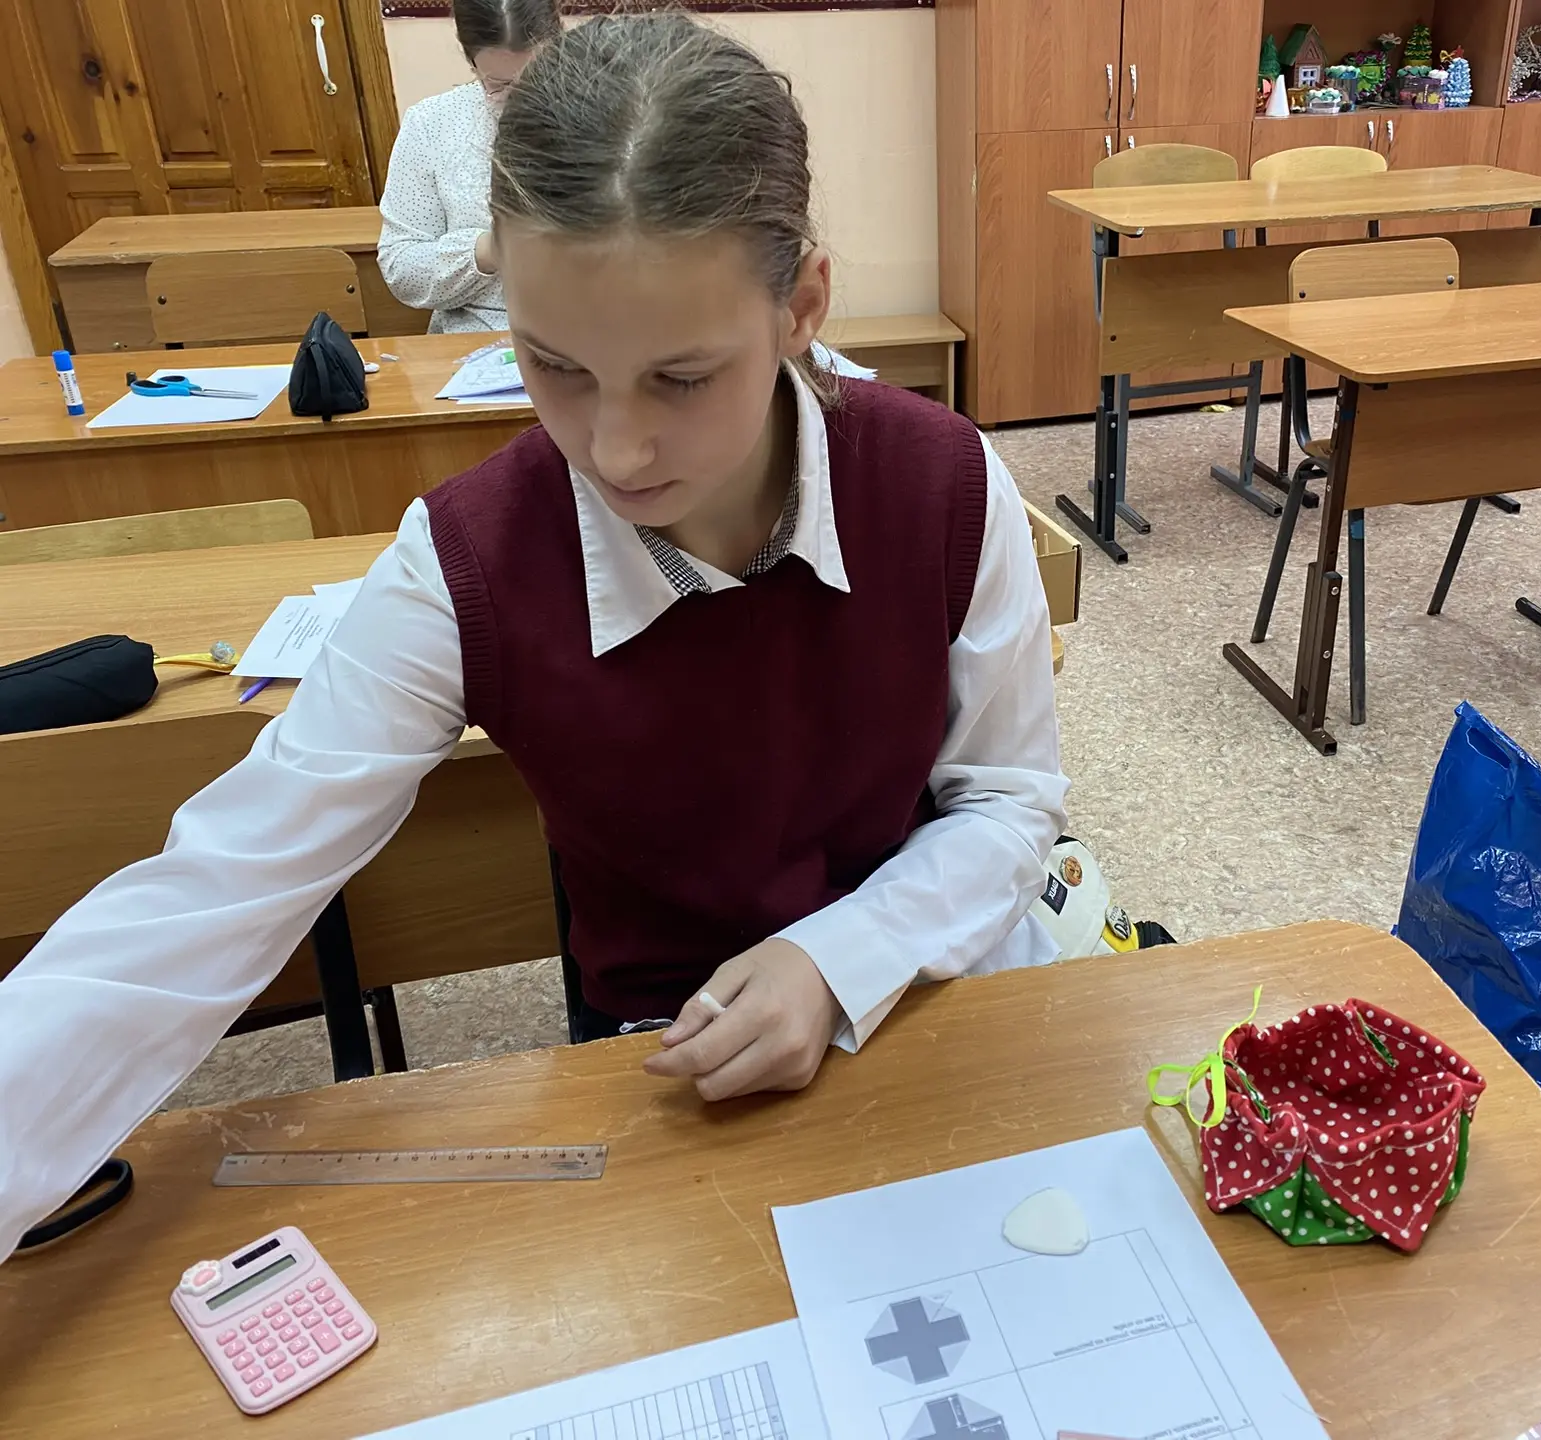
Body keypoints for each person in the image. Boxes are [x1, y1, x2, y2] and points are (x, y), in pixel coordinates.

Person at [0, 14, 1066, 1259]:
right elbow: (219, 885)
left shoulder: (944, 481)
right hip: (669, 1062)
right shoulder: (468, 559)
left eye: (680, 378)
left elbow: (1009, 802)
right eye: (552, 365)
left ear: (802, 307)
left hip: (938, 994)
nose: (615, 449)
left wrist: (840, 957)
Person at [377, 0, 562, 332]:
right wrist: (490, 249)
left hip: (592, 333)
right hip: (475, 336)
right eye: (500, 85)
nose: (523, 99)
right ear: (471, 63)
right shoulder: (432, 124)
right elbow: (401, 267)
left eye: (539, 78)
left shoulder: (608, 112)